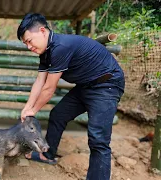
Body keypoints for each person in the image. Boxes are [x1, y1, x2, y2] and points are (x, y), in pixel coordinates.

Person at [17, 13, 125, 180]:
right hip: (86, 86)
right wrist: (27, 108)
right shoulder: (46, 52)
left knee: (98, 140)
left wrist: (33, 111)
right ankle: (48, 154)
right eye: (25, 43)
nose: (28, 46)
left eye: (29, 41)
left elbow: (48, 88)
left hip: (106, 85)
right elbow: (39, 81)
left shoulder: (60, 47)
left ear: (42, 31)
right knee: (58, 115)